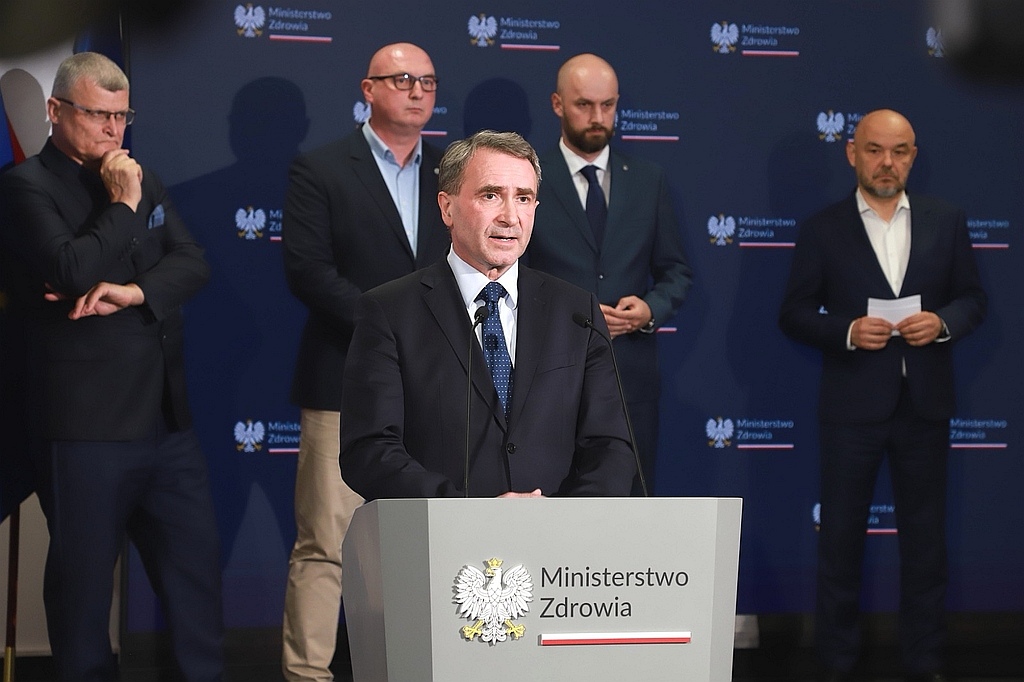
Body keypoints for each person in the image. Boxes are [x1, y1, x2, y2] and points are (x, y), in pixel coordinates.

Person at [0, 52, 223, 681]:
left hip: (167, 423)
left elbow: (192, 262)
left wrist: (133, 292)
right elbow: (70, 270)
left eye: (122, 117)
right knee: (83, 596)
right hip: (84, 427)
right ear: (56, 111)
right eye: (99, 115)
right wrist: (124, 207)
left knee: (195, 587)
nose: (113, 130)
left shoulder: (139, 176)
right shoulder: (24, 187)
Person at [779, 109, 986, 682]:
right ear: (852, 154)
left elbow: (973, 300)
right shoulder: (822, 228)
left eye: (898, 151)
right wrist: (846, 331)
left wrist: (941, 323)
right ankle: (836, 661)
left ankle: (926, 661)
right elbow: (794, 313)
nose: (886, 162)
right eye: (874, 150)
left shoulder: (947, 220)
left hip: (925, 406)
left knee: (926, 544)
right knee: (840, 542)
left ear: (913, 156)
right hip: (851, 408)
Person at [339, 130, 637, 500]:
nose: (510, 217)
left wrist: (563, 519)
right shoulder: (390, 311)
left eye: (523, 198)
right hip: (443, 531)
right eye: (491, 195)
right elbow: (369, 451)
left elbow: (610, 445)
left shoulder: (577, 312)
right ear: (447, 208)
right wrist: (469, 515)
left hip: (557, 533)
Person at [280, 42, 451, 681]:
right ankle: (308, 675)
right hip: (343, 382)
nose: (417, 90)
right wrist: (393, 327)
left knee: (423, 543)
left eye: (427, 80)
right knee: (326, 545)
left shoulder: (455, 174)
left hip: (437, 387)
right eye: (402, 79)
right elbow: (308, 271)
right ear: (369, 89)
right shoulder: (322, 168)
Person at [526, 53, 692, 495]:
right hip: (547, 375)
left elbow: (676, 270)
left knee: (631, 505)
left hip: (630, 379)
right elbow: (509, 274)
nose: (598, 117)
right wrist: (571, 314)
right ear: (558, 104)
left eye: (608, 105)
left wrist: (649, 309)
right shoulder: (528, 179)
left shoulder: (648, 180)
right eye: (584, 105)